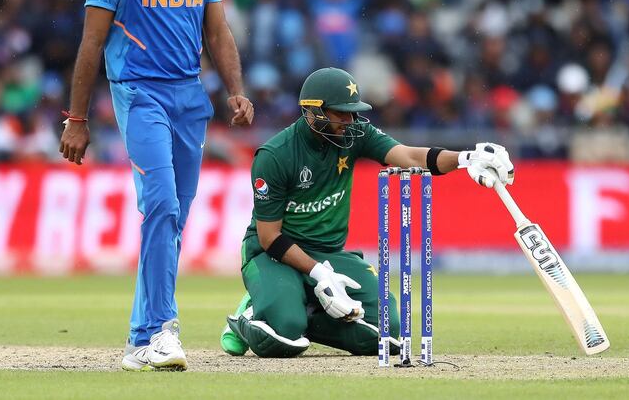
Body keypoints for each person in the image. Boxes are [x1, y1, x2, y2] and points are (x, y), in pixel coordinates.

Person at [59, 0, 254, 371]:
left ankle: (139, 341)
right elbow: (93, 43)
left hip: (191, 97)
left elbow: (218, 32)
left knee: (171, 220)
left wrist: (235, 90)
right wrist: (76, 118)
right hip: (139, 94)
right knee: (162, 206)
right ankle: (161, 331)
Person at [219, 67, 512, 358]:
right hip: (273, 254)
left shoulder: (355, 134)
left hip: (328, 252)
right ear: (313, 111)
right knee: (283, 337)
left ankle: (296, 304)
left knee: (388, 331)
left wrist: (464, 158)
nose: (350, 120)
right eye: (341, 113)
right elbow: (269, 237)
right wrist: (320, 274)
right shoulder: (275, 156)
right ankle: (251, 314)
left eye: (353, 112)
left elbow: (409, 157)